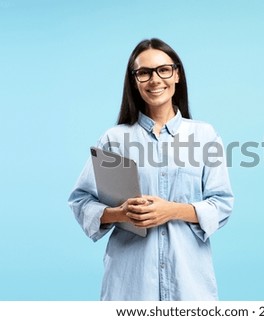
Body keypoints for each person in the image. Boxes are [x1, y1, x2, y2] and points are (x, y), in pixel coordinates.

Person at [68, 38, 234, 300]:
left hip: (189, 284)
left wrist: (172, 210)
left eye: (163, 70)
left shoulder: (204, 135)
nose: (155, 80)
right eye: (144, 73)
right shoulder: (115, 139)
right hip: (130, 286)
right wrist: (119, 213)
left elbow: (222, 204)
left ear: (176, 74)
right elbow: (80, 202)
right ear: (134, 81)